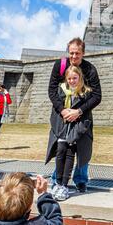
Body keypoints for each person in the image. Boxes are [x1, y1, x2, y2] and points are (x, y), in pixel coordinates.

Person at [48, 37, 102, 193]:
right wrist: (63, 110)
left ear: (83, 53)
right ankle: (56, 179)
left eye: (77, 53)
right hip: (62, 116)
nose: (73, 56)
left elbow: (97, 96)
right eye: (71, 53)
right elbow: (52, 91)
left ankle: (80, 180)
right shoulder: (60, 65)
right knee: (61, 148)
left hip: (82, 116)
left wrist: (79, 111)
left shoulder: (90, 69)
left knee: (83, 148)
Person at [46, 66, 93, 201]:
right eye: (70, 78)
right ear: (66, 79)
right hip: (61, 130)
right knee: (60, 154)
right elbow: (55, 109)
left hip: (75, 132)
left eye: (75, 78)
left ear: (80, 78)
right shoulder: (60, 91)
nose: (72, 81)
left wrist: (78, 130)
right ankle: (58, 183)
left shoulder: (85, 92)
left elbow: (86, 115)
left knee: (70, 156)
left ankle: (65, 185)